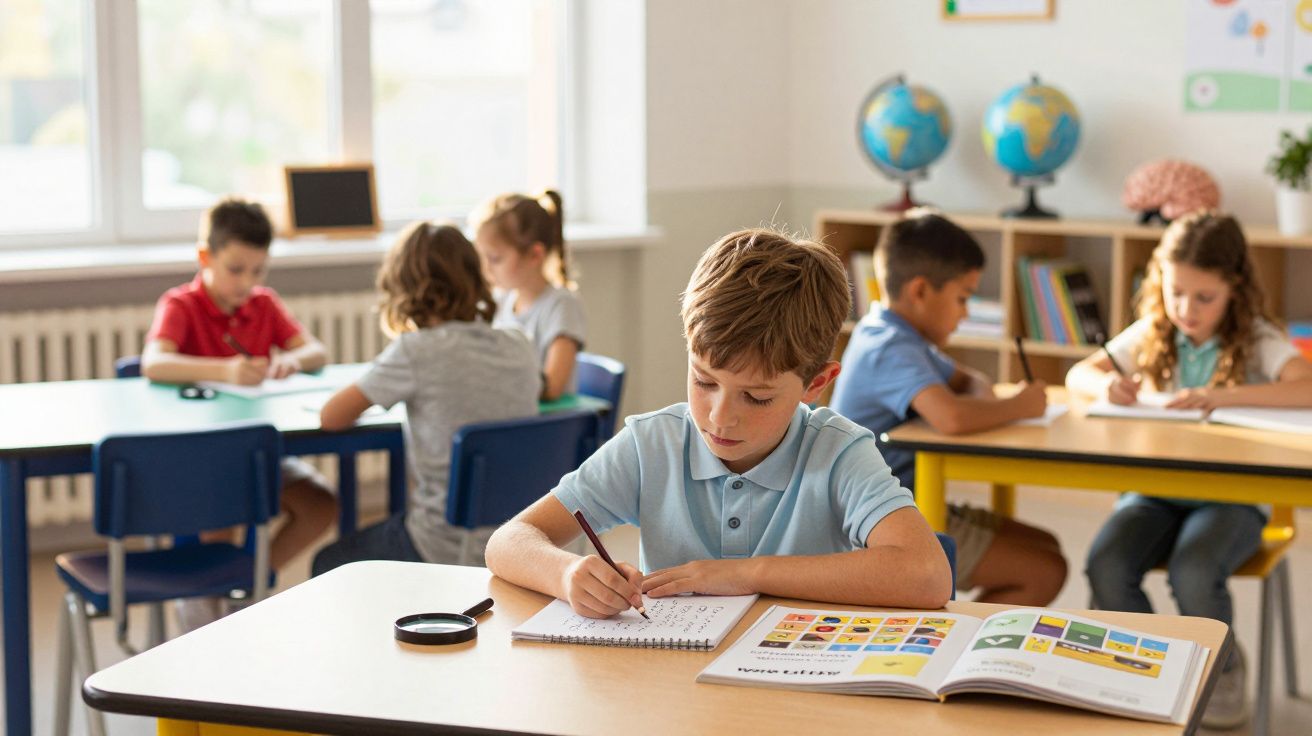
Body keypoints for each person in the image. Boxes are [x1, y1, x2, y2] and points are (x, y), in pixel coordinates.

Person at [485, 227, 952, 619]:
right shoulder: (652, 444)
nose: (720, 415)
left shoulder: (838, 452)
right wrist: (567, 574)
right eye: (704, 381)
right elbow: (509, 541)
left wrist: (747, 574)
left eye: (757, 396)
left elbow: (928, 576)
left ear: (817, 383)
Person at [1067, 210, 1312, 730]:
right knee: (1106, 564)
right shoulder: (1155, 331)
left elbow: (1306, 385)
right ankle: (1153, 667)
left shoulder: (1256, 337)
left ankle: (1222, 666)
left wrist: (1219, 396)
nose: (1187, 309)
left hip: (1231, 500)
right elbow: (1079, 375)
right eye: (1176, 292)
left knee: (1195, 571)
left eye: (1205, 297)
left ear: (1234, 289)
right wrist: (1106, 386)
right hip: (1153, 495)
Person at [830, 210, 1067, 606]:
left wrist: (982, 398)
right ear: (921, 291)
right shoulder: (889, 346)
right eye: (963, 298)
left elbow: (969, 382)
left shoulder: (904, 336)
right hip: (881, 517)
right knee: (1045, 571)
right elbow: (952, 417)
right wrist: (1019, 405)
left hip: (911, 496)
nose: (966, 312)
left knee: (1046, 546)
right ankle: (964, 646)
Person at [142, 196, 337, 629]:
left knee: (321, 505)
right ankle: (205, 609)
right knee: (225, 507)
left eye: (257, 270)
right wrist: (225, 370)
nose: (246, 282)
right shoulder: (180, 305)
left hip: (257, 454)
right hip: (199, 460)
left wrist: (291, 361)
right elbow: (153, 363)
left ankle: (247, 586)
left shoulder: (263, 304)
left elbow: (317, 352)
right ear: (205, 257)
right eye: (235, 269)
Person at [312, 221, 539, 574]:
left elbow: (332, 417)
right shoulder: (519, 343)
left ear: (402, 286)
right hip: (520, 539)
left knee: (328, 561)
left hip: (441, 546)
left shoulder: (416, 350)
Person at [470, 189, 585, 400]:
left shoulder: (561, 305)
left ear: (535, 255)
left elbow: (551, 387)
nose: (486, 269)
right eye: (482, 258)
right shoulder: (500, 301)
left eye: (495, 259)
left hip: (544, 426)